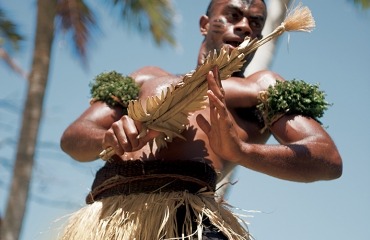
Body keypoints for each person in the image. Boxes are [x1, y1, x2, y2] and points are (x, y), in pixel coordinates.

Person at [59, 0, 342, 239]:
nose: (245, 26)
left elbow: (326, 159)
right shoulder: (146, 77)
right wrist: (108, 137)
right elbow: (72, 140)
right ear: (205, 24)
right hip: (107, 221)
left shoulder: (261, 89)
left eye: (256, 23)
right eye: (233, 15)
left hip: (186, 224)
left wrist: (243, 151)